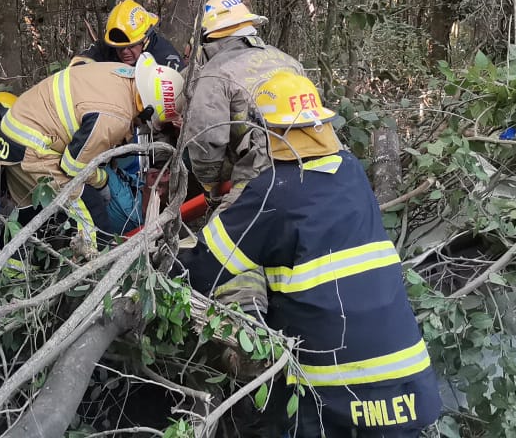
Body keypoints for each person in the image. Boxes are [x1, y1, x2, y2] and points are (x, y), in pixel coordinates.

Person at [182, 71, 442, 437]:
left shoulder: (273, 192)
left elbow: (202, 269)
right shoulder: (352, 173)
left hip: (332, 392)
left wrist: (158, 268)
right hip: (406, 381)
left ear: (268, 131)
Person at [0, 53, 184, 242]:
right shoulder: (115, 116)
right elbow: (73, 167)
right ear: (147, 108)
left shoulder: (122, 73)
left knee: (28, 218)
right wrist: (102, 181)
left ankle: (13, 259)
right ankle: (94, 260)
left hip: (11, 134)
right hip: (34, 150)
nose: (140, 124)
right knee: (92, 213)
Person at [178, 0, 302, 199]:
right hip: (309, 165)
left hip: (260, 176)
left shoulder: (214, 74)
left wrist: (211, 188)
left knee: (223, 221)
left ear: (207, 38)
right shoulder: (289, 62)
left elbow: (206, 142)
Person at [75, 0, 184, 69]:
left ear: (145, 40)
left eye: (131, 46)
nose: (124, 52)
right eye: (120, 48)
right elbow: (80, 62)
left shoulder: (166, 59)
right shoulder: (109, 46)